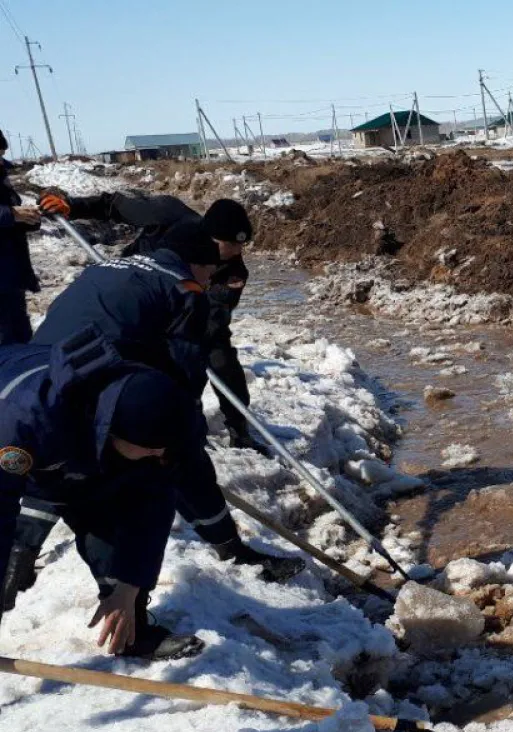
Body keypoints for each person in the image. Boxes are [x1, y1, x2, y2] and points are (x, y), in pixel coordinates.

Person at [16, 218, 303, 597]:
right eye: (209, 271)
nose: (209, 279)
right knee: (176, 458)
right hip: (100, 381)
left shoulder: (105, 267)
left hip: (40, 376)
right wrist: (181, 436)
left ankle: (21, 551)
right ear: (197, 264)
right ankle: (227, 552)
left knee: (58, 461)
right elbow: (184, 381)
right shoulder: (185, 291)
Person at [0, 325, 204, 659]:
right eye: (150, 448)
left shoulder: (154, 412)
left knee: (113, 512)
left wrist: (129, 586)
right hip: (14, 418)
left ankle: (131, 628)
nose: (158, 455)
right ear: (112, 431)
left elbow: (155, 499)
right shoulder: (23, 420)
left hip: (70, 444)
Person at [39, 189, 264, 453]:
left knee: (219, 359)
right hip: (136, 291)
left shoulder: (234, 271)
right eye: (231, 243)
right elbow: (115, 205)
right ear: (209, 235)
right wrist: (72, 206)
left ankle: (238, 429)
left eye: (241, 245)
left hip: (188, 311)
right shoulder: (168, 214)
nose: (237, 251)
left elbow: (210, 321)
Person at [0, 130, 41, 345]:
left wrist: (29, 219)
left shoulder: (2, 177)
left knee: (21, 337)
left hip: (10, 275)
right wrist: (12, 214)